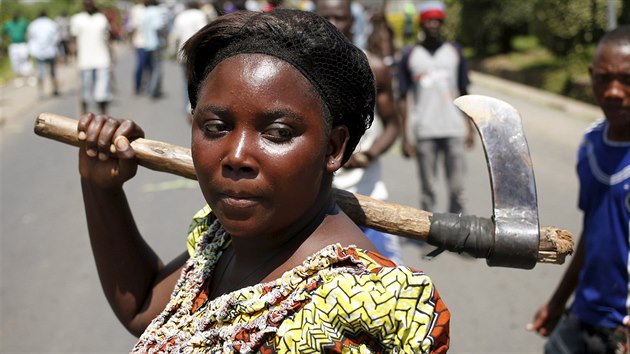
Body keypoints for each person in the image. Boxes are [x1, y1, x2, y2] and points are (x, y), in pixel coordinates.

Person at [76, 9, 449, 352]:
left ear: (333, 148)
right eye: (215, 127)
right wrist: (101, 189)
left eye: (278, 132)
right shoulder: (224, 241)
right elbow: (146, 310)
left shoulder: (354, 304)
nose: (236, 156)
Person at [528, 25, 630, 354]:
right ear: (591, 76)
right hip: (584, 315)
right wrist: (558, 301)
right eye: (603, 78)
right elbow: (595, 229)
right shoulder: (590, 145)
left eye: (627, 78)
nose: (614, 91)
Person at [316, 0, 403, 265]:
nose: (332, 25)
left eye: (339, 17)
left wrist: (368, 154)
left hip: (367, 198)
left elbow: (393, 125)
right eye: (325, 17)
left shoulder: (374, 68)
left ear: (352, 20)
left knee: (388, 290)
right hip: (313, 205)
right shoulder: (296, 69)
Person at [397, 0, 474, 215]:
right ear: (421, 24)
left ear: (442, 24)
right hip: (425, 131)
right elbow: (402, 97)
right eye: (429, 20)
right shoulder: (410, 56)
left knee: (457, 187)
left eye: (437, 21)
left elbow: (464, 89)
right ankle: (430, 235)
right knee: (428, 188)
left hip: (453, 129)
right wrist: (405, 136)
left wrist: (470, 127)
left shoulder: (454, 52)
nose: (433, 25)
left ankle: (459, 233)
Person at [71, 0, 114, 115]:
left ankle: (104, 118)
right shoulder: (77, 19)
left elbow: (108, 39)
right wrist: (73, 55)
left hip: (102, 60)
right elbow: (74, 40)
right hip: (85, 61)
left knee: (102, 93)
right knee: (85, 93)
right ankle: (83, 118)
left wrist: (111, 55)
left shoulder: (101, 19)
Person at [168, 0, 210, 118]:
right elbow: (203, 33)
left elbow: (175, 36)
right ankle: (193, 106)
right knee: (197, 80)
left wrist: (172, 52)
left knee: (186, 81)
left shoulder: (180, 17)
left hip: (183, 53)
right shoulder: (200, 15)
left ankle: (187, 106)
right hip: (197, 53)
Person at [27, 10, 60, 97]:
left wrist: (31, 50)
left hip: (39, 53)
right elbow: (56, 38)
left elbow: (29, 38)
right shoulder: (51, 24)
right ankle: (55, 89)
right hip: (50, 51)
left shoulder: (33, 25)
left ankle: (41, 92)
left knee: (40, 73)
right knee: (53, 72)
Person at [2, 12, 33, 87]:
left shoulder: (23, 22)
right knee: (15, 61)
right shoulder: (8, 24)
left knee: (26, 60)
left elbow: (30, 29)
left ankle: (29, 78)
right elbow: (2, 32)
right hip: (13, 45)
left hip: (23, 44)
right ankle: (18, 78)